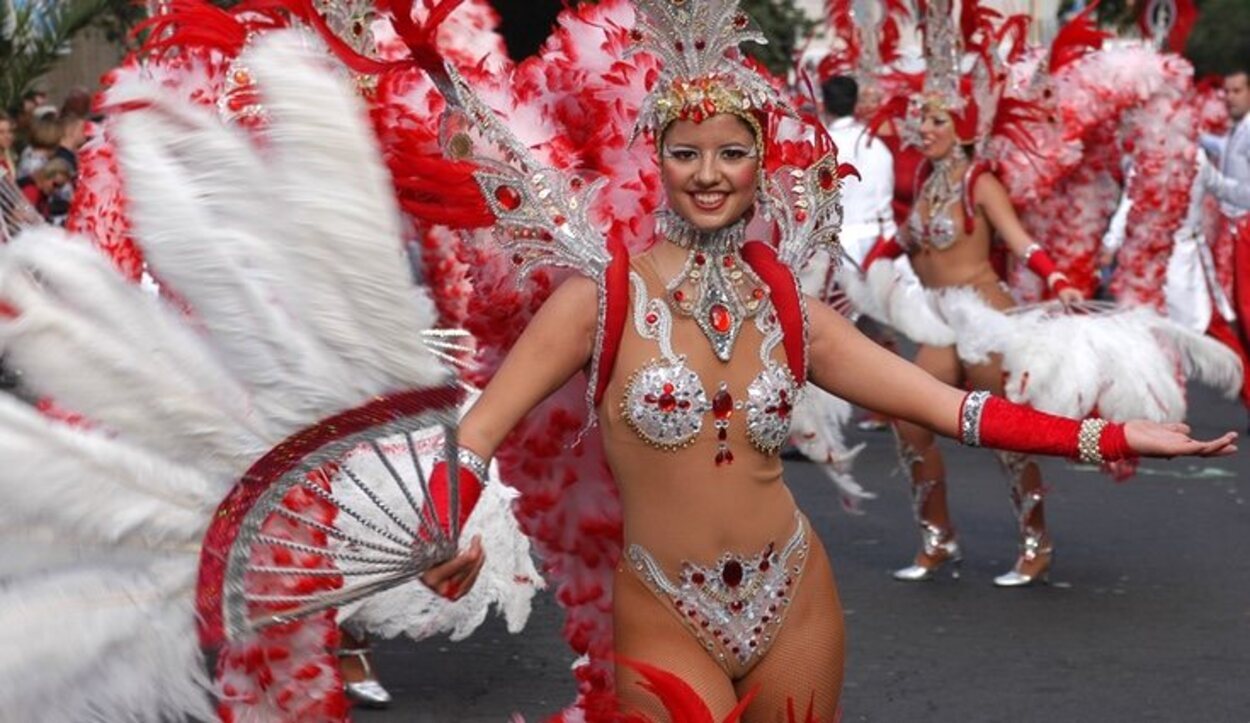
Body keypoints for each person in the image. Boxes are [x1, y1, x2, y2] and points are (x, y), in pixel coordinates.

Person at [419, 1, 1235, 716]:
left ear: (760, 165)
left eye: (732, 152)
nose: (709, 175)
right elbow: (477, 432)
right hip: (663, 606)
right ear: (656, 159)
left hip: (795, 598)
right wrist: (445, 523)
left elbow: (953, 408)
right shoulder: (599, 299)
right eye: (686, 152)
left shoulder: (789, 308)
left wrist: (1115, 439)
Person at [813, 74, 898, 432]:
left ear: (824, 103)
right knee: (875, 325)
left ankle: (821, 426)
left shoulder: (823, 144)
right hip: (878, 245)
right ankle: (892, 404)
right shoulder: (877, 146)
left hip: (840, 248)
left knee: (822, 336)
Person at [1201, 66, 1250, 424]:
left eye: (1236, 90)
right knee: (1236, 314)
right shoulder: (1237, 130)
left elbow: (1244, 190)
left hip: (1245, 227)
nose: (1229, 97)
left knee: (1245, 313)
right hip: (1234, 230)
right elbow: (1216, 147)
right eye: (1227, 91)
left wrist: (1213, 182)